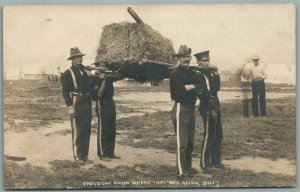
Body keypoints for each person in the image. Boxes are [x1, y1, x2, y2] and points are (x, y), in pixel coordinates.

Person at [170, 45, 206, 181]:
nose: (186, 59)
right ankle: (180, 173)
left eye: (187, 57)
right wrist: (194, 89)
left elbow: (203, 86)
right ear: (178, 59)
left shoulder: (192, 73)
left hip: (191, 109)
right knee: (182, 143)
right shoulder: (175, 74)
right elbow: (177, 94)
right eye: (183, 57)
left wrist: (192, 87)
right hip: (181, 108)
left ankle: (188, 170)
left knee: (190, 142)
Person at [194, 50, 224, 170]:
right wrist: (210, 108)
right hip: (207, 104)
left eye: (208, 60)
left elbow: (216, 88)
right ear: (198, 61)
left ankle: (216, 161)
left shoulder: (210, 73)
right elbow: (201, 93)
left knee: (218, 134)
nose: (207, 63)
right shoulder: (197, 74)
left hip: (215, 102)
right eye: (204, 60)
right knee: (209, 135)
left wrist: (216, 73)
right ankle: (205, 164)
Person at [62, 47, 93, 164]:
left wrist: (89, 76)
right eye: (76, 57)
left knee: (86, 129)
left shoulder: (85, 70)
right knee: (78, 130)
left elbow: (91, 85)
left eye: (80, 57)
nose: (79, 59)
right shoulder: (67, 73)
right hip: (76, 101)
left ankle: (85, 156)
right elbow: (65, 92)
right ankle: (77, 157)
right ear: (72, 59)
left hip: (87, 101)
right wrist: (69, 107)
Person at [91, 55, 123, 162]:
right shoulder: (95, 79)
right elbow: (98, 95)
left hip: (110, 102)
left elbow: (119, 76)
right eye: (102, 65)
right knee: (103, 129)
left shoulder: (108, 76)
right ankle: (102, 154)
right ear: (97, 66)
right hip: (102, 103)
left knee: (111, 128)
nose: (104, 67)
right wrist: (103, 81)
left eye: (105, 65)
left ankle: (110, 152)